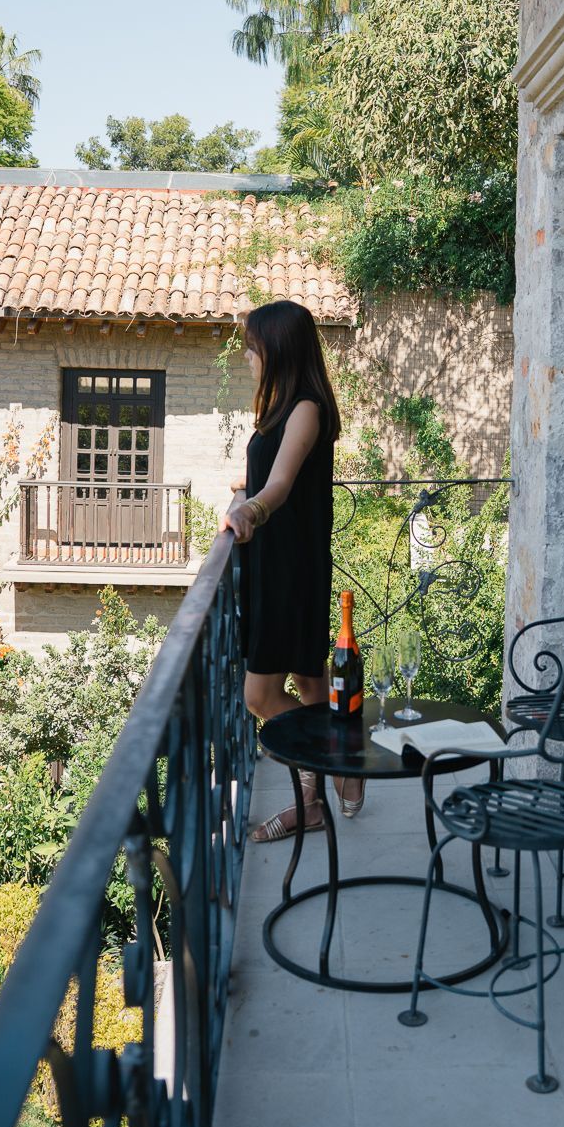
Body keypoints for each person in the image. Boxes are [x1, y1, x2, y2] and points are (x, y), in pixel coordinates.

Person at [220, 298, 363, 839]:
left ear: (277, 351)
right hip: (274, 564)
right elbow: (263, 478)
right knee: (308, 684)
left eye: (254, 350)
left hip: (290, 569)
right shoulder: (283, 409)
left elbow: (277, 489)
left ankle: (329, 771)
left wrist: (251, 509)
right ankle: (316, 798)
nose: (249, 360)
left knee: (261, 695)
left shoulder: (306, 408)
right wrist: (241, 496)